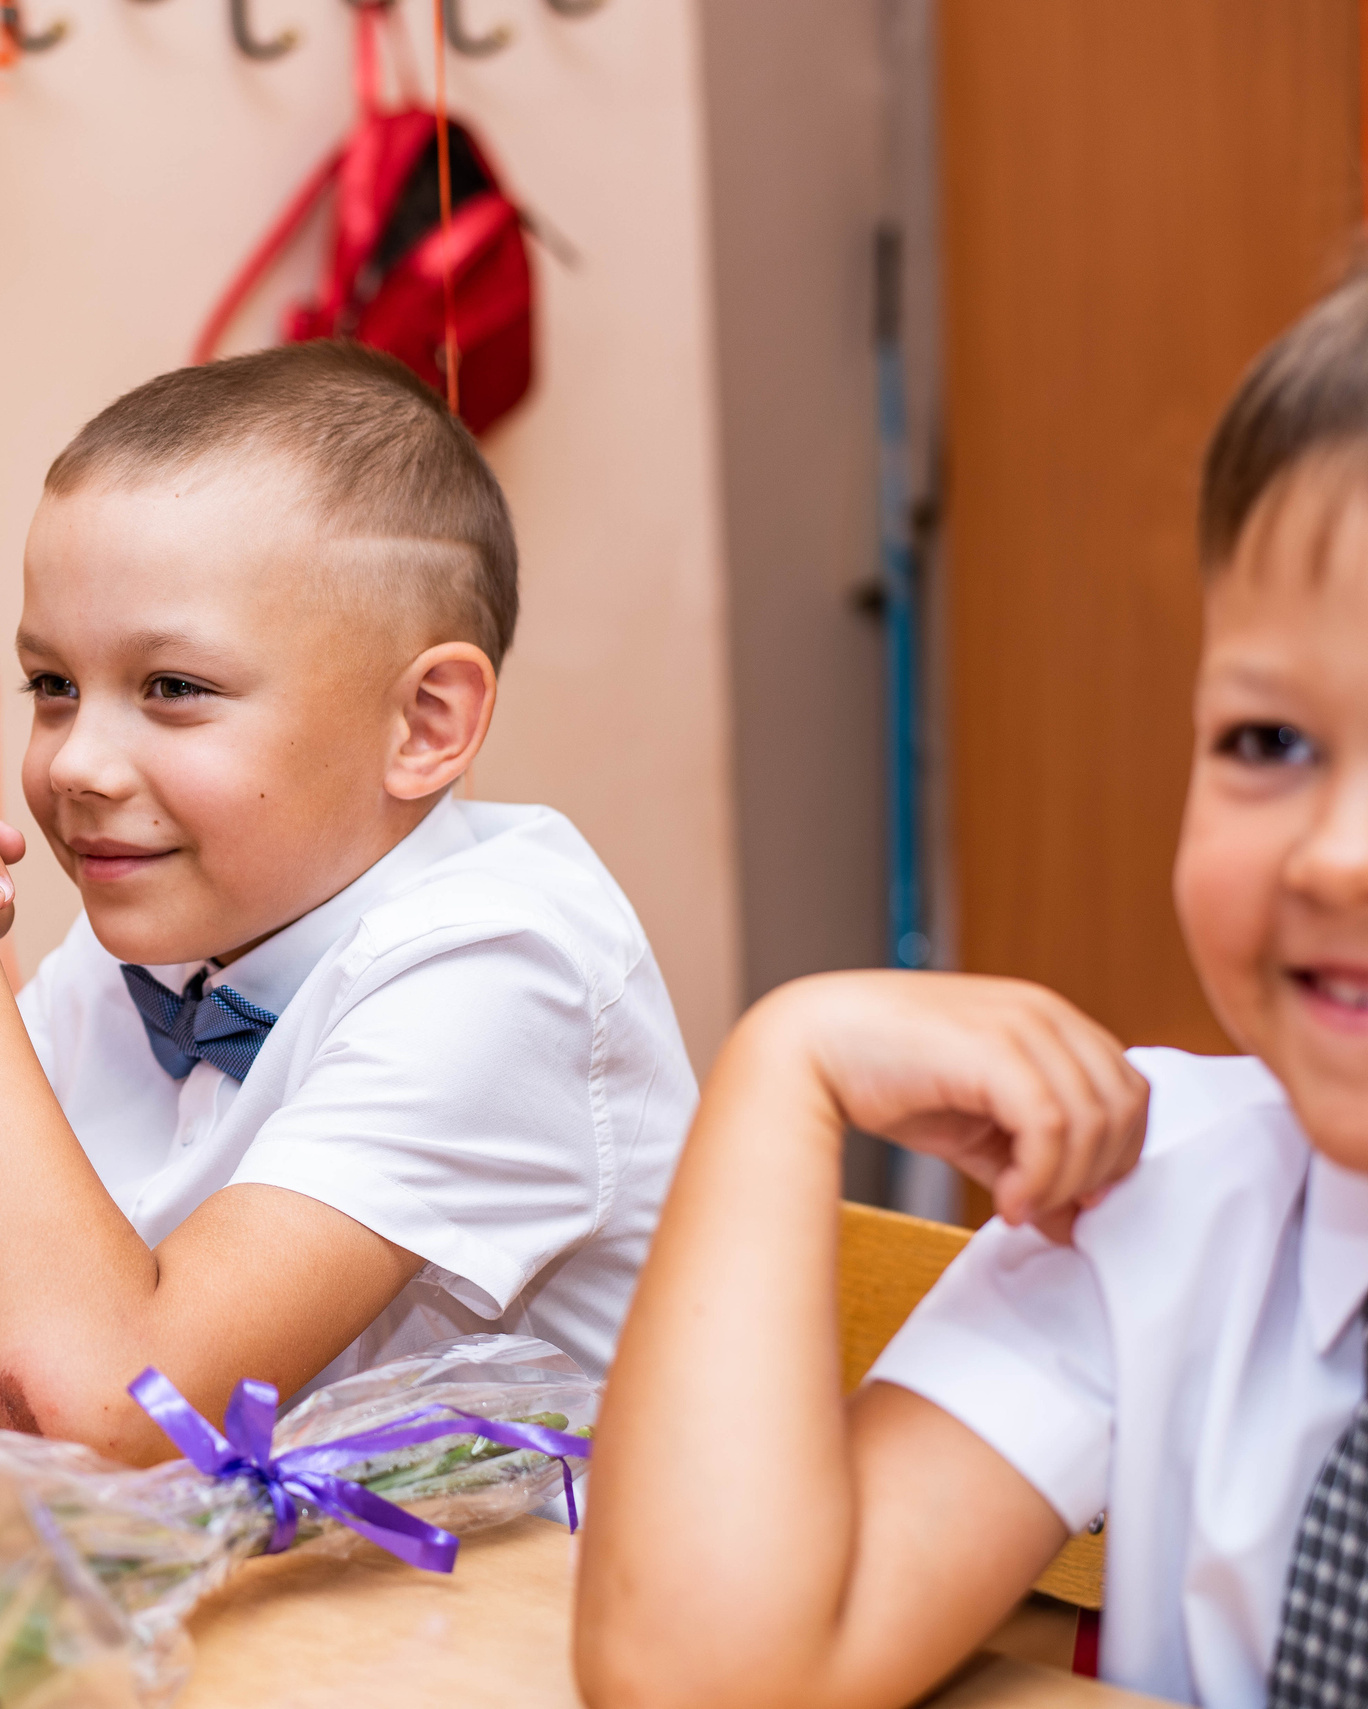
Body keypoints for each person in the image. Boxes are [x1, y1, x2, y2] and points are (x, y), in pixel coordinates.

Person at [0, 341, 695, 1462]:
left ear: (425, 724)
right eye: (53, 685)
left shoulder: (504, 965)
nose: (77, 765)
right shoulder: (157, 955)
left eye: (174, 689)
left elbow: (114, 1408)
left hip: (531, 1623)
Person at [577, 274, 1368, 1709]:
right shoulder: (1155, 1196)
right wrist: (787, 1064)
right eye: (1270, 738)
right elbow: (705, 1679)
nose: (1339, 855)